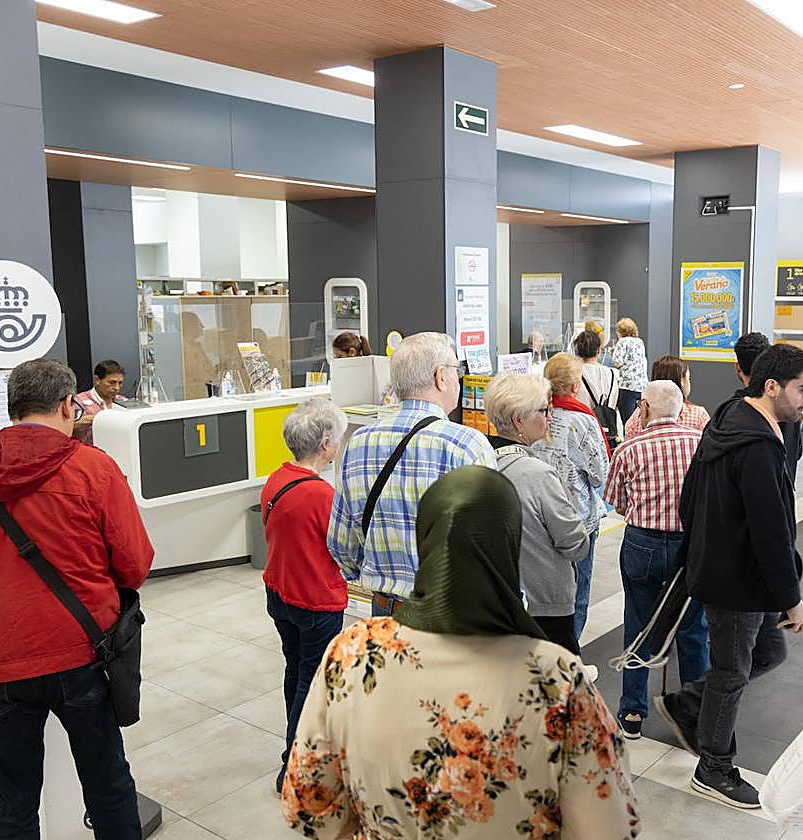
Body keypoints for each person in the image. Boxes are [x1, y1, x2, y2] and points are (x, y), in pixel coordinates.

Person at [281, 466, 640, 838]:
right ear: (510, 546)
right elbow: (610, 827)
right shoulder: (557, 680)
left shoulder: (353, 653)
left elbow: (306, 805)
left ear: (424, 540)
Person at [0, 358, 153, 839]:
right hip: (85, 656)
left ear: (11, 409)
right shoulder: (95, 470)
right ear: (69, 405)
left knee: (11, 802)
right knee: (108, 784)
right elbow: (135, 562)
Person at [654, 344, 803, 809]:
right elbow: (771, 532)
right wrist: (792, 598)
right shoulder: (758, 448)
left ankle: (690, 705)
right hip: (737, 582)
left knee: (767, 652)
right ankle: (714, 767)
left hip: (737, 574)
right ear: (771, 387)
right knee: (731, 671)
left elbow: (690, 498)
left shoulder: (729, 419)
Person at [328, 332, 496, 615]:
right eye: (457, 370)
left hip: (386, 609)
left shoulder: (359, 442)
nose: (459, 378)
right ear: (440, 376)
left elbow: (341, 544)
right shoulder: (467, 445)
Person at [603, 380, 708, 741]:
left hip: (642, 544)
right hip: (690, 547)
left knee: (638, 625)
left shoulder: (629, 448)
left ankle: (633, 711)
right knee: (694, 630)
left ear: (644, 409)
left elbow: (616, 503)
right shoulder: (700, 445)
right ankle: (696, 715)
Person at [261, 398, 350, 793]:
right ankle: (294, 767)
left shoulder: (275, 480)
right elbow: (344, 548)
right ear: (326, 443)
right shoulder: (322, 496)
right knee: (311, 684)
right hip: (316, 599)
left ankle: (292, 757)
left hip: (279, 592)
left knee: (294, 670)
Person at [485, 374, 590, 653]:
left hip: (496, 599)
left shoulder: (477, 461)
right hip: (544, 605)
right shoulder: (536, 474)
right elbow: (574, 542)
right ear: (519, 420)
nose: (549, 417)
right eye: (544, 410)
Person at [531, 353, 610, 644]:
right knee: (578, 591)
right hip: (578, 519)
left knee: (544, 591)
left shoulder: (535, 416)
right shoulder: (582, 421)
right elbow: (601, 473)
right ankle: (570, 656)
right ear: (576, 386)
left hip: (539, 517)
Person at [733, 333, 802, 479]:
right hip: (784, 495)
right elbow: (797, 452)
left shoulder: (734, 410)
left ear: (738, 368)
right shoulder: (789, 404)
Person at [622, 355, 710, 438]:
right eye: (688, 378)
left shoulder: (638, 416)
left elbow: (628, 442)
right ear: (681, 381)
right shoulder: (698, 415)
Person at [73, 359, 125, 445]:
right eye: (112, 382)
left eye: (120, 383)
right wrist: (98, 419)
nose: (117, 388)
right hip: (89, 453)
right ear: (97, 380)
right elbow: (65, 426)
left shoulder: (123, 402)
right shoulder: (79, 402)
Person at [573, 328, 619, 418]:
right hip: (606, 425)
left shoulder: (573, 373)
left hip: (581, 422)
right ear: (599, 350)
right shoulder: (613, 374)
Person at [611, 318, 648, 424]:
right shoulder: (639, 342)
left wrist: (613, 354)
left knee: (627, 420)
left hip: (626, 385)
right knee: (637, 419)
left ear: (621, 331)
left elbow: (617, 363)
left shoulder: (622, 342)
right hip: (640, 386)